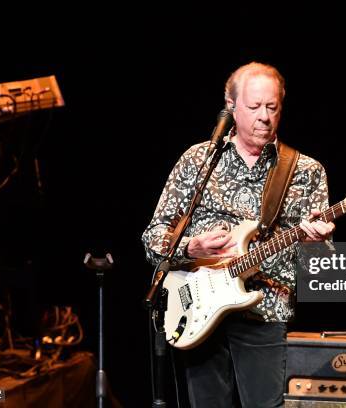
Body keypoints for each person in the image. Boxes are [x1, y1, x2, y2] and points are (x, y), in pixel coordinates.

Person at [142, 62, 334, 408]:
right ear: (231, 106)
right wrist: (190, 246)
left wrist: (315, 244)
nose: (264, 116)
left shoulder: (305, 171)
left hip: (264, 313)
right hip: (198, 311)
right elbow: (153, 237)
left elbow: (320, 268)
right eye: (254, 106)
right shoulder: (199, 160)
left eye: (272, 107)